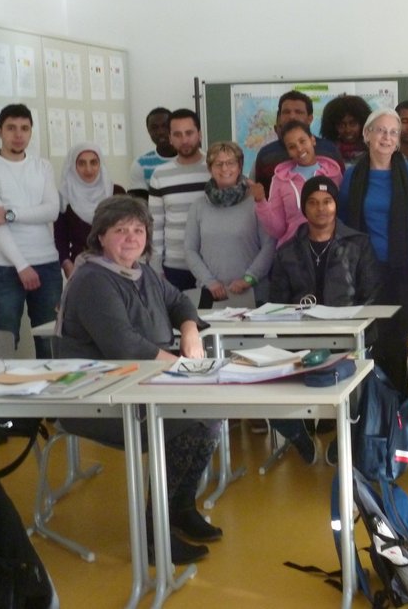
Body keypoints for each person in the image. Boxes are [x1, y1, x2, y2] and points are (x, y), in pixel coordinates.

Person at [55, 196, 220, 565]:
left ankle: (179, 508)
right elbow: (125, 346)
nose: (131, 238)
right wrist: (184, 369)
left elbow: (179, 302)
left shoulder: (142, 272)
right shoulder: (92, 279)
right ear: (100, 236)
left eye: (138, 230)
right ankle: (153, 533)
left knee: (210, 413)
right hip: (100, 396)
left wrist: (189, 330)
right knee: (183, 420)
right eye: (120, 230)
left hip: (142, 384)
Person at [269, 176, 382, 463]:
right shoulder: (286, 252)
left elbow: (371, 296)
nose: (321, 209)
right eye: (313, 202)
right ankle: (298, 435)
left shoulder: (359, 244)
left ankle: (346, 438)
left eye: (327, 202)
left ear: (336, 205)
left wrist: (352, 331)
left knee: (360, 388)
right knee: (267, 385)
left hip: (348, 340)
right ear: (304, 208)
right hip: (300, 342)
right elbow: (277, 304)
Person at [339, 109, 408, 395]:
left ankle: (399, 399)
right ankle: (374, 399)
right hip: (367, 268)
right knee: (372, 337)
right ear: (367, 135)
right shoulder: (352, 176)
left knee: (399, 337)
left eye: (393, 132)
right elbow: (343, 221)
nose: (387, 138)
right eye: (380, 130)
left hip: (406, 268)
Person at [0, 103, 62, 358]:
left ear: (31, 131)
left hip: (47, 263)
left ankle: (50, 385)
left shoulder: (42, 166)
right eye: (11, 128)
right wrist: (22, 265)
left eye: (24, 128)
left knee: (50, 340)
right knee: (4, 341)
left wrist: (10, 214)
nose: (18, 134)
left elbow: (51, 211)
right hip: (6, 267)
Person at [185, 141, 274, 308]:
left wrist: (248, 279)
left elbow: (269, 245)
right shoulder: (198, 206)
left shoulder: (256, 202)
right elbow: (190, 250)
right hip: (211, 293)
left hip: (252, 293)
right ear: (210, 169)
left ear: (239, 167)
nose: (225, 169)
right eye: (218, 164)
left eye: (230, 163)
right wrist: (209, 282)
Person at [148, 108, 211, 291]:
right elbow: (155, 225)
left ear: (199, 134)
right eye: (177, 134)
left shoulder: (215, 169)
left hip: (211, 265)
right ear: (170, 138)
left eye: (189, 133)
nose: (184, 140)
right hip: (174, 267)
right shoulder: (159, 175)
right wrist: (156, 266)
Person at [254, 120, 343, 247]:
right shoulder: (280, 180)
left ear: (312, 140)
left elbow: (342, 216)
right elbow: (277, 230)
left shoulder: (333, 174)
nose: (299, 149)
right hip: (293, 252)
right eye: (292, 147)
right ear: (287, 151)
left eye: (302, 141)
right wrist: (261, 202)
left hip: (331, 249)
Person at [55, 142, 125, 279]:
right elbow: (60, 238)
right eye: (81, 163)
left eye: (93, 162)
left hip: (117, 264)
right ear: (73, 166)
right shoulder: (65, 196)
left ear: (100, 164)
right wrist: (67, 265)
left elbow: (128, 230)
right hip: (81, 266)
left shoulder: (116, 193)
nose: (88, 169)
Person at [253, 90, 343, 190]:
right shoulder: (266, 154)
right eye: (286, 112)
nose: (292, 116)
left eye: (298, 112)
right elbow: (262, 194)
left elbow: (340, 189)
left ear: (310, 118)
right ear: (280, 117)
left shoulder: (329, 150)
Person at [127, 107, 176, 200]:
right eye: (154, 127)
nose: (160, 132)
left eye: (165, 126)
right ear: (148, 131)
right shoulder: (140, 164)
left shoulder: (192, 159)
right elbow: (139, 204)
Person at [320, 94, 370, 166]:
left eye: (353, 123)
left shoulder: (374, 151)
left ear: (363, 124)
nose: (348, 130)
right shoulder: (326, 152)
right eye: (341, 125)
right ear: (332, 127)